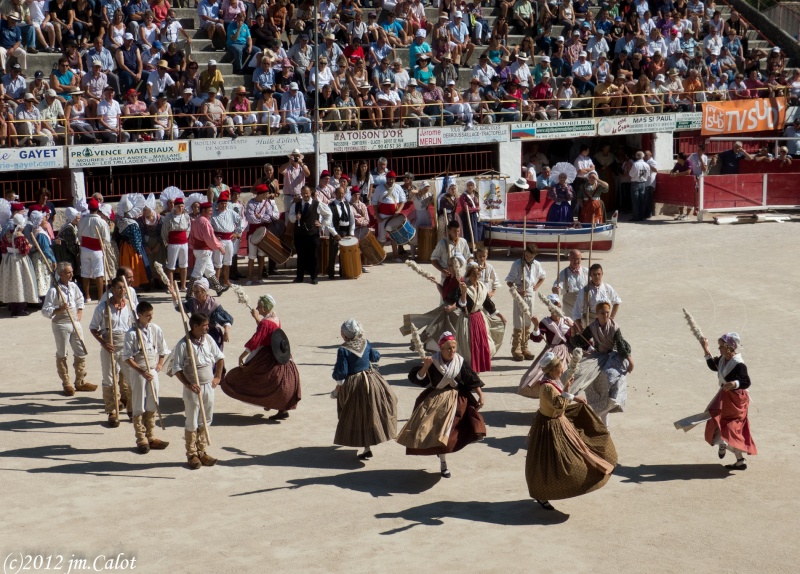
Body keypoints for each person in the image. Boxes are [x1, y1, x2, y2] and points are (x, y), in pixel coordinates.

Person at [525, 351, 617, 510]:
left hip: (559, 422)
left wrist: (574, 397)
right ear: (553, 369)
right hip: (548, 426)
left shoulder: (552, 381)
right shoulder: (547, 387)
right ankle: (542, 493)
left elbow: (562, 397)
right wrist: (568, 389)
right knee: (548, 462)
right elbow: (559, 405)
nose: (562, 369)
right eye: (560, 367)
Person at [397, 331, 486, 478]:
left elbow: (471, 379)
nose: (452, 351)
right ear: (441, 349)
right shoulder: (433, 362)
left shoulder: (459, 361)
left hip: (457, 400)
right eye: (448, 348)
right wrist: (425, 366)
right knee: (437, 432)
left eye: (454, 348)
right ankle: (443, 463)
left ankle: (449, 454)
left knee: (452, 433)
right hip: (436, 400)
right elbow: (419, 379)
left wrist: (481, 395)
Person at [221, 294, 301, 419]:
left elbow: (257, 339)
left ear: (264, 308)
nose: (257, 308)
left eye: (259, 306)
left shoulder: (265, 323)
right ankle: (281, 409)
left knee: (252, 376)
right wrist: (256, 318)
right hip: (278, 353)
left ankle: (266, 401)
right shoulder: (275, 318)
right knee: (276, 382)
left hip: (267, 355)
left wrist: (242, 355)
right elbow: (266, 329)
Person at [331, 319, 398, 460]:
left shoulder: (343, 350)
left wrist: (339, 386)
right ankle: (369, 445)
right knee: (372, 410)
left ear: (345, 335)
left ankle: (366, 446)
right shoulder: (365, 343)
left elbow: (341, 372)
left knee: (356, 414)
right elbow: (375, 357)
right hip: (371, 379)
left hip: (355, 384)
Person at [690, 333, 756, 470]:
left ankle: (724, 441)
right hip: (725, 397)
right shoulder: (723, 359)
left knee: (726, 423)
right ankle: (740, 460)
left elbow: (746, 381)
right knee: (723, 422)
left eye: (721, 346)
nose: (719, 349)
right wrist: (705, 349)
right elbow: (714, 366)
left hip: (736, 399)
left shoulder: (739, 364)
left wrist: (734, 384)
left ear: (728, 347)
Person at [170, 312, 224, 470]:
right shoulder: (183, 344)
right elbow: (176, 368)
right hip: (193, 388)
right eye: (205, 325)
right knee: (192, 420)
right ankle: (192, 454)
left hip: (208, 386)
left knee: (206, 419)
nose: (208, 327)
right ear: (195, 326)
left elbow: (220, 357)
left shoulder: (208, 340)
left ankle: (202, 450)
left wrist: (218, 376)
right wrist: (188, 384)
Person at [570, 300, 634, 426]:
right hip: (597, 357)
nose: (605, 315)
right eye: (602, 313)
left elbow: (621, 344)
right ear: (597, 314)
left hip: (613, 356)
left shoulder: (614, 327)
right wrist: (573, 333)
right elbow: (581, 341)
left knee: (610, 375)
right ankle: (603, 421)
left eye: (607, 312)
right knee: (585, 376)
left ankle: (613, 401)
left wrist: (630, 360)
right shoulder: (592, 327)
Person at [122, 301, 169, 454]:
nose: (150, 318)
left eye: (151, 315)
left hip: (152, 369)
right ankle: (140, 437)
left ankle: (151, 435)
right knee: (138, 403)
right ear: (139, 315)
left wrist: (160, 364)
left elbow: (163, 350)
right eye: (147, 315)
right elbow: (128, 357)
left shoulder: (156, 329)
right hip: (138, 372)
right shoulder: (131, 333)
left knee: (153, 401)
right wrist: (141, 371)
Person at [42, 262, 95, 396]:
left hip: (75, 321)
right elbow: (45, 310)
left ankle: (80, 381)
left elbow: (80, 299)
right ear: (60, 274)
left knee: (81, 350)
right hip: (61, 324)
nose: (71, 274)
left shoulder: (73, 286)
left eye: (71, 271)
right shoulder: (54, 290)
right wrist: (59, 309)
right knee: (62, 353)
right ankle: (66, 383)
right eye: (68, 272)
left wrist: (79, 312)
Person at [89, 276, 134, 427]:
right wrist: (104, 343)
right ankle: (112, 410)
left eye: (124, 287)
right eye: (119, 288)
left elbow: (134, 327)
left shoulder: (130, 306)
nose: (123, 291)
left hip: (126, 347)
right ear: (112, 289)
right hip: (110, 346)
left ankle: (132, 409)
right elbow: (93, 328)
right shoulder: (103, 308)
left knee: (130, 378)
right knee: (109, 379)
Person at [518, 294, 573, 398]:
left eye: (558, 305)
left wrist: (573, 327)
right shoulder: (546, 322)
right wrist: (536, 326)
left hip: (566, 352)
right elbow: (537, 338)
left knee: (566, 375)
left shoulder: (567, 320)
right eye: (553, 306)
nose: (556, 308)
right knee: (540, 374)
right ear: (549, 308)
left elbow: (574, 339)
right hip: (551, 351)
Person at [506, 244, 546, 361]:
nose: (528, 258)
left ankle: (525, 347)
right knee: (518, 320)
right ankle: (516, 348)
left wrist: (536, 287)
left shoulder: (537, 264)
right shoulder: (517, 264)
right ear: (524, 252)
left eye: (531, 257)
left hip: (530, 294)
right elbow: (509, 281)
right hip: (519, 295)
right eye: (527, 255)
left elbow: (543, 276)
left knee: (528, 320)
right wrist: (518, 290)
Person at [289, 185, 334, 285]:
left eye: (307, 193)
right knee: (300, 256)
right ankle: (299, 277)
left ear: (310, 193)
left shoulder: (317, 204)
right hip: (300, 234)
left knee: (313, 256)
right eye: (303, 193)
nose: (305, 195)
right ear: (301, 194)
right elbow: (290, 217)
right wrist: (295, 217)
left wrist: (322, 224)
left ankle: (314, 277)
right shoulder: (296, 205)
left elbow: (328, 214)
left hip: (312, 234)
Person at [186, 201, 229, 298]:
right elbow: (209, 237)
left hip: (199, 249)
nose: (211, 212)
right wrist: (220, 247)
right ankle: (189, 293)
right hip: (203, 250)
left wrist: (192, 246)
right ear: (204, 210)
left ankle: (218, 288)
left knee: (209, 270)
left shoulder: (196, 220)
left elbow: (192, 236)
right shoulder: (204, 222)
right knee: (197, 272)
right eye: (210, 210)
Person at [0, 212, 39, 316]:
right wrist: (29, 246)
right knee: (21, 282)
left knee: (11, 282)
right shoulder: (20, 236)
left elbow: (3, 247)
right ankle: (20, 309)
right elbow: (24, 251)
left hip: (8, 261)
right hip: (19, 261)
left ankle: (12, 307)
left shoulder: (7, 234)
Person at [179, 277, 233, 352]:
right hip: (197, 333)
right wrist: (175, 297)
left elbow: (226, 320)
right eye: (193, 292)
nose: (195, 294)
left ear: (204, 291)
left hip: (212, 334)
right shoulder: (193, 302)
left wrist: (226, 332)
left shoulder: (213, 305)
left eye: (197, 292)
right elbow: (182, 308)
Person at [245, 182, 283, 284]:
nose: (267, 195)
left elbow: (271, 217)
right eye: (266, 193)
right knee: (252, 256)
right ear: (261, 194)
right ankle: (249, 277)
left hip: (263, 233)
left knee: (261, 255)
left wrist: (261, 217)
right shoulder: (250, 203)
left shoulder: (267, 203)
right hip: (253, 232)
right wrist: (263, 218)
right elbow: (251, 219)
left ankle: (260, 276)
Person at [77, 197, 111, 301]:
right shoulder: (101, 221)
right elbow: (106, 238)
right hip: (97, 249)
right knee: (99, 273)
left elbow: (79, 236)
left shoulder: (82, 220)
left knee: (85, 273)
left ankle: (87, 296)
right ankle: (100, 297)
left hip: (85, 249)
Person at [210, 191, 244, 288]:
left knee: (228, 262)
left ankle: (226, 280)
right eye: (221, 203)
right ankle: (216, 283)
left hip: (229, 240)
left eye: (225, 203)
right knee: (218, 263)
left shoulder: (231, 213)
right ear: (218, 204)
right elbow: (209, 227)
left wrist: (237, 233)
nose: (223, 205)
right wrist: (213, 236)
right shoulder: (213, 214)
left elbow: (240, 221)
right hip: (219, 240)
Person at [572, 263, 622, 329]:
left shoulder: (607, 288)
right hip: (589, 322)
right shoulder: (584, 291)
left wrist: (611, 318)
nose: (597, 276)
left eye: (599, 274)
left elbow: (617, 302)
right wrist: (581, 329)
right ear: (590, 275)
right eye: (594, 274)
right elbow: (576, 312)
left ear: (602, 274)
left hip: (605, 321)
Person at [116, 195, 149, 288]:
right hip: (131, 248)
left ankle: (125, 285)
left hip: (124, 247)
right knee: (132, 266)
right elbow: (135, 238)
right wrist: (139, 251)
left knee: (125, 265)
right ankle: (133, 286)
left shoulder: (121, 221)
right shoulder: (132, 224)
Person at [161, 197, 191, 292]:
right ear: (175, 207)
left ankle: (183, 286)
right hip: (173, 244)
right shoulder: (169, 217)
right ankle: (171, 287)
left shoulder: (186, 216)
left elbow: (188, 229)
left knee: (184, 265)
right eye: (178, 206)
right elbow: (164, 231)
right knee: (171, 266)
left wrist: (185, 238)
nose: (180, 208)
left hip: (183, 243)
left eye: (182, 206)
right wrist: (167, 242)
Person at [328, 185, 354, 279]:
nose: (341, 195)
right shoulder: (331, 205)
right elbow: (329, 222)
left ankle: (343, 272)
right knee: (333, 252)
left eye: (342, 193)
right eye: (339, 193)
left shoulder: (347, 204)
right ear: (335, 194)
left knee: (344, 253)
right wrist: (335, 234)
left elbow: (352, 219)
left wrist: (351, 232)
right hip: (336, 230)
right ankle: (331, 273)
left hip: (345, 231)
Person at [552, 249, 588, 317]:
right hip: (569, 306)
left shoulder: (586, 272)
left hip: (583, 305)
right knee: (569, 325)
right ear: (569, 258)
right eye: (573, 259)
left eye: (578, 259)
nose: (576, 261)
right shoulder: (563, 273)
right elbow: (555, 287)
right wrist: (556, 294)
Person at [53, 207, 81, 275]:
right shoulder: (69, 228)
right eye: (78, 218)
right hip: (64, 250)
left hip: (66, 248)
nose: (79, 220)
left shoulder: (73, 226)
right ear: (73, 218)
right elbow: (71, 246)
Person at [628, 150, 651, 221]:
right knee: (642, 200)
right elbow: (648, 175)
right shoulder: (646, 164)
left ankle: (636, 216)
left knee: (635, 200)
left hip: (635, 183)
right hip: (643, 183)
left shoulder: (635, 164)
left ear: (636, 156)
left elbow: (631, 174)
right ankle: (641, 216)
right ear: (643, 156)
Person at [459, 179, 482, 245]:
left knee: (476, 231)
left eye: (471, 185)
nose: (470, 187)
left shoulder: (476, 194)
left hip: (475, 216)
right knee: (469, 232)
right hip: (468, 217)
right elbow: (466, 208)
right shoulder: (464, 196)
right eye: (468, 185)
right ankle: (469, 247)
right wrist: (476, 209)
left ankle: (476, 246)